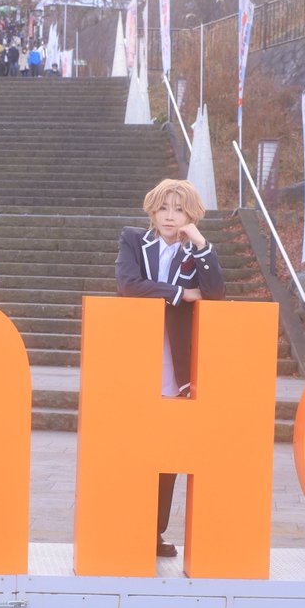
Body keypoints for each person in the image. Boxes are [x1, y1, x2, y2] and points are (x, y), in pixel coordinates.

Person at [114, 178, 226, 557]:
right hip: (135, 356)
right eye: (164, 208)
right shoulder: (133, 240)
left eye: (179, 209)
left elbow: (215, 293)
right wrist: (180, 293)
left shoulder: (196, 250)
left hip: (176, 364)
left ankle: (154, 532)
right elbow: (129, 285)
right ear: (152, 210)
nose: (170, 216)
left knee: (166, 450)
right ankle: (125, 525)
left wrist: (202, 245)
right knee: (131, 447)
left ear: (191, 215)